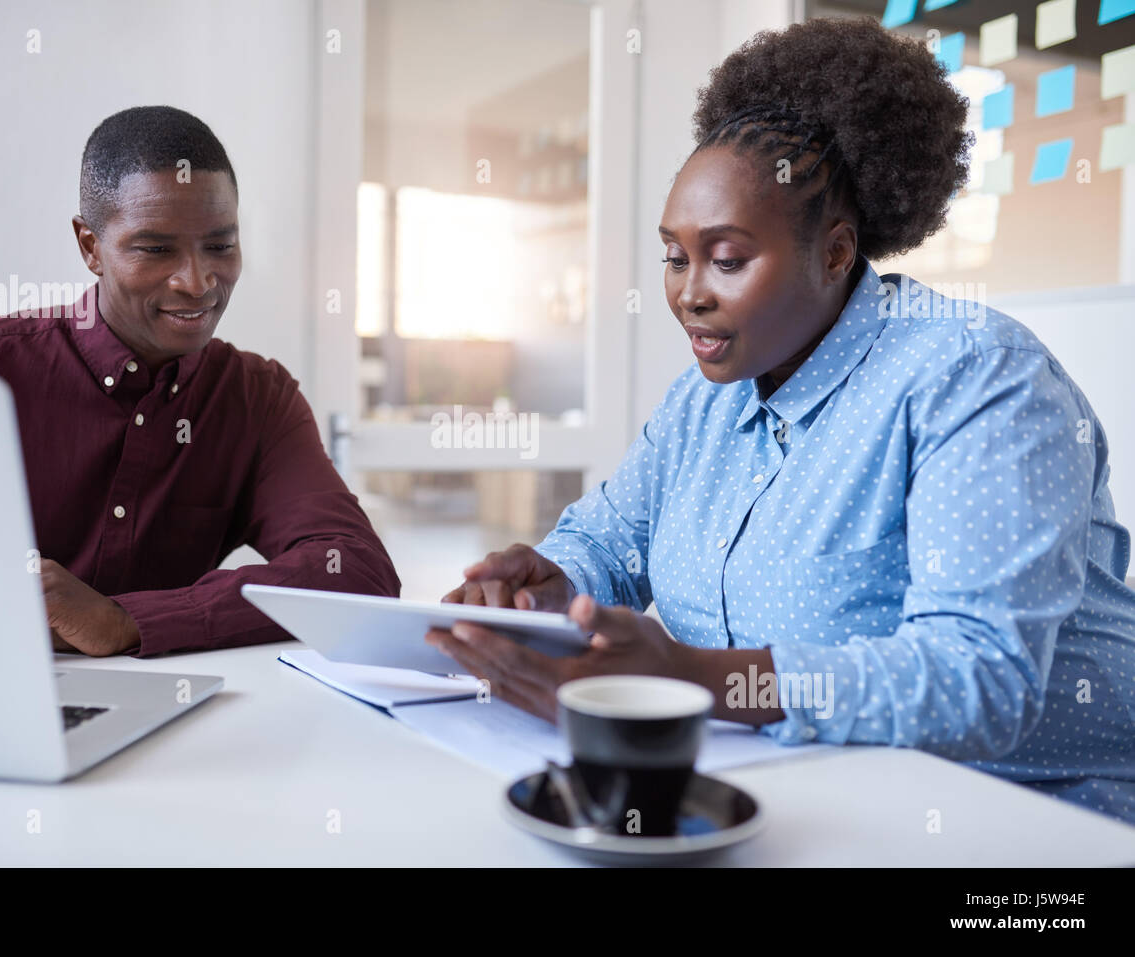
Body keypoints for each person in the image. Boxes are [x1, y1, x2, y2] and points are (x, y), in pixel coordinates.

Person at [428, 17, 1135, 826]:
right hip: (809, 800)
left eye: (727, 259)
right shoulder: (704, 399)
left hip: (1040, 817)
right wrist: (552, 585)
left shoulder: (978, 377)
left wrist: (701, 675)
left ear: (836, 254)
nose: (690, 291)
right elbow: (610, 538)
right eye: (674, 256)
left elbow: (977, 679)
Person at [0, 106, 400, 657]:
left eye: (221, 246)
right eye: (156, 250)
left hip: (177, 713)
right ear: (90, 247)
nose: (198, 282)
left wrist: (127, 620)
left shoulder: (259, 400)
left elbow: (356, 571)